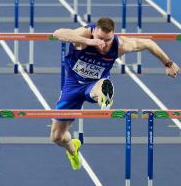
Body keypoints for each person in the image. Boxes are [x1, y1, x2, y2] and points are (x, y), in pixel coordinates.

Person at [51, 17, 179, 170]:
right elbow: (58, 33)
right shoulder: (85, 35)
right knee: (57, 137)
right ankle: (73, 149)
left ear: (113, 35)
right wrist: (89, 42)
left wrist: (168, 64)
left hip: (94, 84)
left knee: (100, 86)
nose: (103, 43)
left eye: (108, 39)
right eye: (100, 38)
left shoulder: (120, 45)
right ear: (94, 32)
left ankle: (104, 96)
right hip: (72, 86)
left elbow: (148, 43)